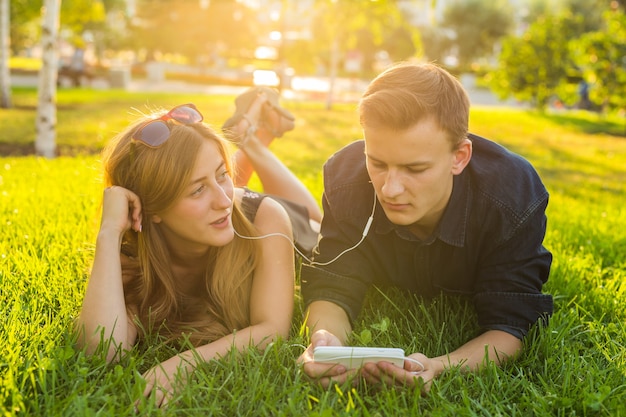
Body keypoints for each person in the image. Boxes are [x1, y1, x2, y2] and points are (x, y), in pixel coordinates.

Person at [298, 62, 553, 391]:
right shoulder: (344, 180)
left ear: (459, 157)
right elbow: (331, 284)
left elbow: (511, 324)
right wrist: (327, 344)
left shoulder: (512, 196)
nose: (390, 189)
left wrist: (439, 367)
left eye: (414, 169)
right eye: (377, 163)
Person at [75, 89, 321, 408]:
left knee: (315, 218)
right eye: (197, 189)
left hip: (288, 228)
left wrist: (182, 364)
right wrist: (108, 233)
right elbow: (101, 350)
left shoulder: (265, 219)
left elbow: (272, 330)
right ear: (153, 210)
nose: (222, 199)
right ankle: (247, 139)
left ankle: (252, 142)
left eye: (223, 174)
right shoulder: (134, 247)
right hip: (223, 217)